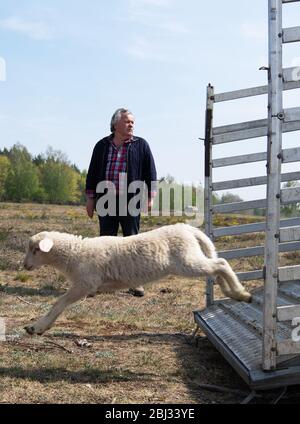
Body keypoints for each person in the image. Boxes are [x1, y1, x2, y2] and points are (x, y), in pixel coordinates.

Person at [85, 108, 157, 297]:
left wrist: (150, 197)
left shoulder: (141, 145)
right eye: (127, 121)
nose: (131, 124)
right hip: (105, 199)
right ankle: (101, 282)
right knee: (105, 242)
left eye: (132, 122)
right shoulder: (102, 145)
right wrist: (90, 199)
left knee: (131, 241)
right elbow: (92, 173)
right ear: (115, 124)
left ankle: (135, 283)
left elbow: (151, 173)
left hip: (131, 199)